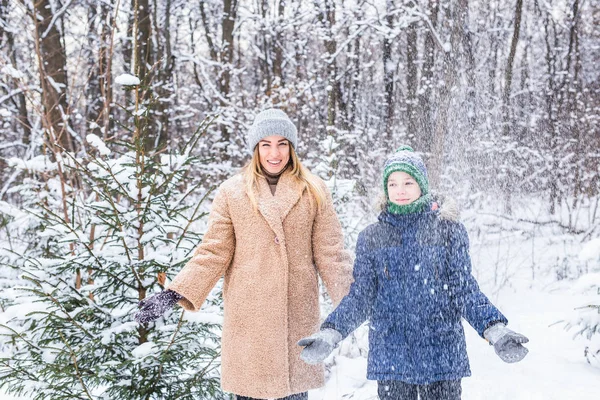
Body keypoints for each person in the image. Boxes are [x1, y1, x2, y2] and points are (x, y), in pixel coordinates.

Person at [134, 109, 353, 400]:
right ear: (255, 148)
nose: (274, 153)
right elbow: (213, 252)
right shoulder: (232, 192)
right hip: (250, 328)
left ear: (292, 147)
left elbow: (332, 254)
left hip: (295, 326)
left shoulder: (313, 191)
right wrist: (173, 293)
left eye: (282, 143)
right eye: (266, 144)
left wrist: (356, 306)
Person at [297, 146, 529, 400]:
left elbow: (464, 289)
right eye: (393, 184)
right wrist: (331, 331)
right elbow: (360, 297)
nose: (400, 190)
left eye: (408, 182)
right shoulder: (372, 238)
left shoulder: (448, 231)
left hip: (441, 355)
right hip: (391, 357)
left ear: (422, 185)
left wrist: (494, 328)